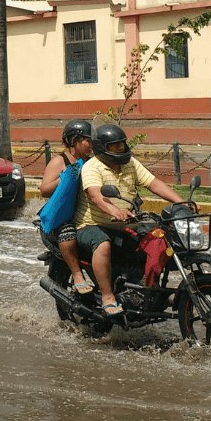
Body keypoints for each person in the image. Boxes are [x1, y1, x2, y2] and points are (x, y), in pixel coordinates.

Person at [74, 124, 185, 317]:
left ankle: (148, 288)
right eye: (114, 146)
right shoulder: (92, 167)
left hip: (126, 224)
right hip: (92, 225)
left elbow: (154, 183)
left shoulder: (130, 163)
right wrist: (114, 210)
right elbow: (96, 196)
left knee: (157, 239)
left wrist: (182, 202)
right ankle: (108, 296)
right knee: (103, 244)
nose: (120, 149)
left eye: (122, 145)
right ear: (101, 147)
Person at [39, 119, 94, 295]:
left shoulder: (91, 162)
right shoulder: (59, 161)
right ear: (73, 141)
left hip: (85, 213)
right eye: (88, 140)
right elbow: (44, 190)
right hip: (61, 219)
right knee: (67, 231)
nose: (91, 144)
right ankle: (77, 275)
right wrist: (65, 177)